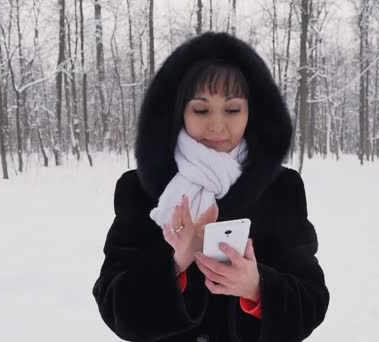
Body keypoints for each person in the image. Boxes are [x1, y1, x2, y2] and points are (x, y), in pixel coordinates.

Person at [92, 32, 329, 342]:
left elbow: (312, 300)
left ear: (250, 113)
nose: (217, 126)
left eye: (232, 110)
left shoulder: (281, 189)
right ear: (180, 112)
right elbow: (115, 305)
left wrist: (258, 288)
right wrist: (176, 263)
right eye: (201, 110)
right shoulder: (140, 190)